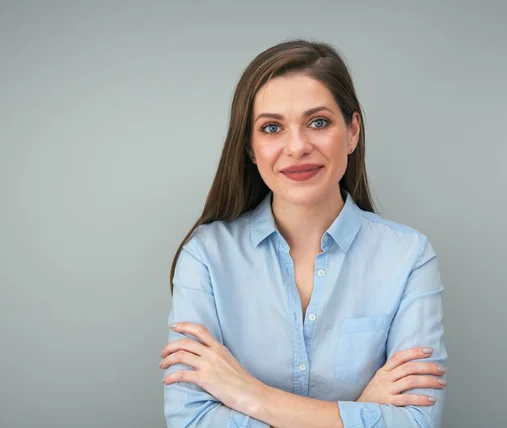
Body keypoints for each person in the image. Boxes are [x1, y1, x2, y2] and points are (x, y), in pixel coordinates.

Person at [159, 39, 448, 428]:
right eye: (272, 127)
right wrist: (361, 409)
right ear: (249, 146)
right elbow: (191, 421)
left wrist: (250, 394)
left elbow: (416, 422)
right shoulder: (207, 257)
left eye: (318, 122)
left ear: (352, 131)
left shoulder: (408, 256)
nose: (296, 147)